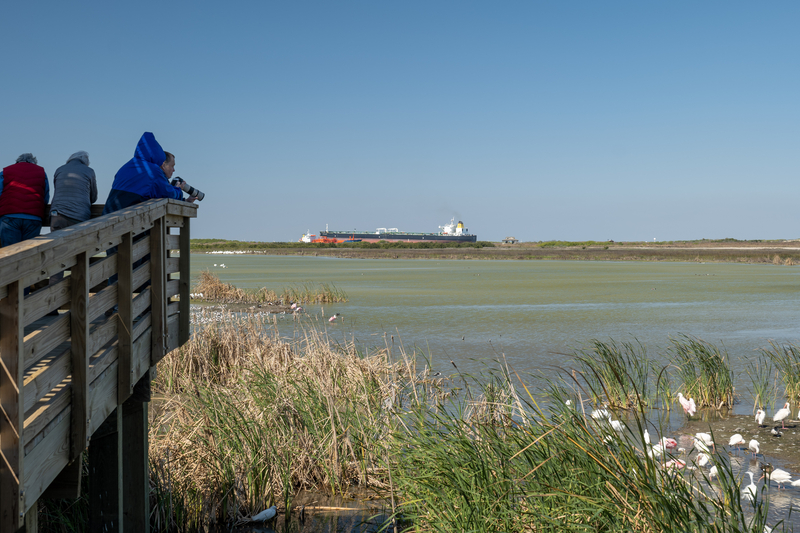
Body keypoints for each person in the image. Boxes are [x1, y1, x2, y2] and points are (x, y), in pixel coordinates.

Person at [103, 132, 187, 214]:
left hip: (107, 216)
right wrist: (178, 189)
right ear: (158, 155)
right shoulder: (153, 170)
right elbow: (168, 194)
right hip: (127, 218)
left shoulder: (126, 166)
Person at [0, 153, 49, 247]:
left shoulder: (5, 171)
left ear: (17, 162)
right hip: (34, 217)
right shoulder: (41, 172)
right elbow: (45, 195)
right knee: (29, 251)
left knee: (9, 251)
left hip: (10, 215)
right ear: (34, 163)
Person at [50, 151, 98, 231]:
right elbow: (93, 197)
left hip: (57, 214)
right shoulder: (89, 171)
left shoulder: (59, 169)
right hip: (79, 216)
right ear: (86, 162)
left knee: (56, 242)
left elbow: (57, 189)